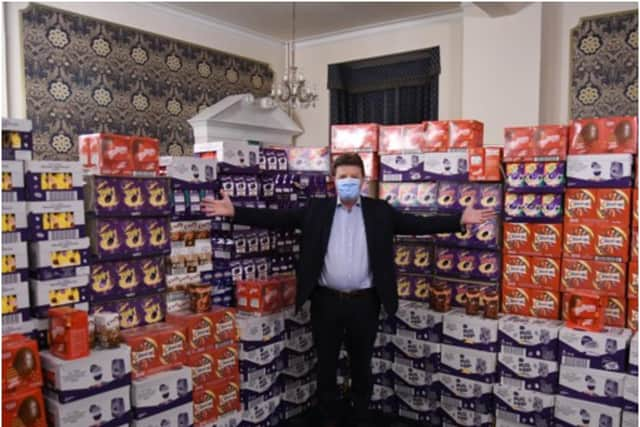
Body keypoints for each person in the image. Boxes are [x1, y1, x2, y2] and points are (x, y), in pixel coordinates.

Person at [203, 153, 495, 427]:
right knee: (326, 364)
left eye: (354, 176)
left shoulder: (379, 211)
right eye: (343, 176)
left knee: (361, 365)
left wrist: (458, 219)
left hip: (365, 303)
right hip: (325, 301)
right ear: (333, 180)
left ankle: (361, 417)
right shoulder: (316, 210)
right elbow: (279, 219)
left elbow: (416, 223)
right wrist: (235, 212)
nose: (349, 181)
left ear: (363, 180)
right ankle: (329, 418)